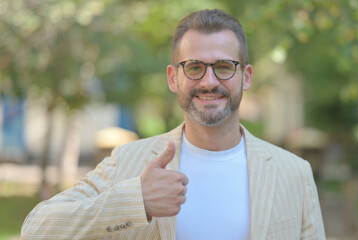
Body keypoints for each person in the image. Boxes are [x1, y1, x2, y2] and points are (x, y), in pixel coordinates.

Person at [21, 9, 325, 240]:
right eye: (194, 67)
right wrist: (134, 200)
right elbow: (36, 228)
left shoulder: (295, 173)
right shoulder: (129, 162)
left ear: (245, 77)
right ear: (172, 78)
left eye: (223, 67)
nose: (209, 82)